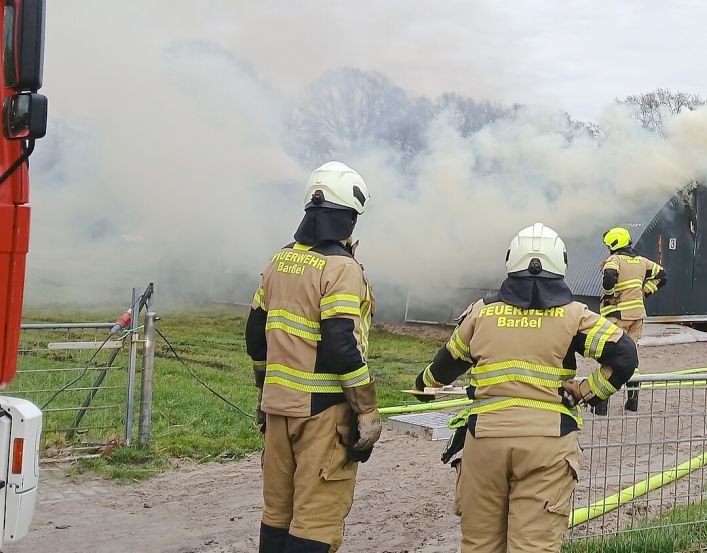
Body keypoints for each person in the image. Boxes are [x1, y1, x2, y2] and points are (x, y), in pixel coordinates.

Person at [413, 223, 638, 553]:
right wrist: (586, 391)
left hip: (485, 442)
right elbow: (624, 355)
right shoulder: (574, 315)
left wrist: (423, 385)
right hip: (547, 445)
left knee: (480, 545)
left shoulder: (482, 312)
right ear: (560, 265)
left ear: (510, 262)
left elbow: (447, 363)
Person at [245, 161, 381, 553]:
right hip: (323, 414)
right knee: (315, 521)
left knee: (277, 514)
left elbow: (256, 336)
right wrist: (367, 410)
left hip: (277, 410)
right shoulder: (341, 268)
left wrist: (264, 391)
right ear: (349, 219)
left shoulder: (278, 261)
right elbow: (341, 345)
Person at [595, 226, 666, 413]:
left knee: (610, 357)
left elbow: (609, 276)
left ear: (613, 244)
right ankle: (632, 401)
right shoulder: (642, 261)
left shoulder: (614, 259)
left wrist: (610, 294)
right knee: (631, 358)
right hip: (636, 317)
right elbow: (662, 275)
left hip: (616, 317)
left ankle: (602, 404)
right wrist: (645, 291)